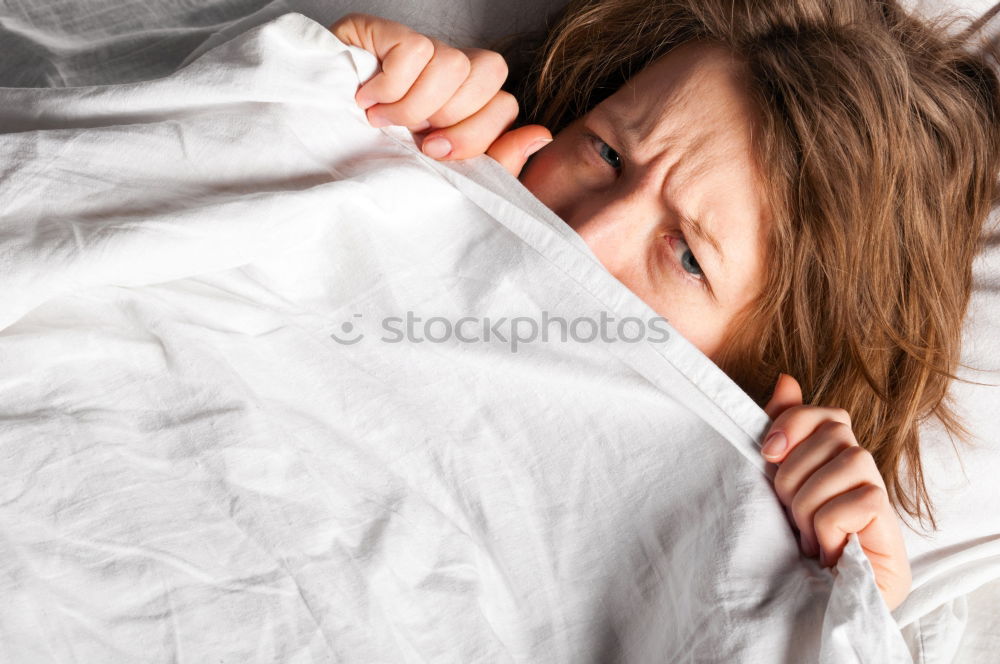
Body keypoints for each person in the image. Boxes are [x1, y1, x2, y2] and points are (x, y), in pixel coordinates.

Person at [329, 0, 1000, 612]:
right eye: (606, 151)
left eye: (687, 258)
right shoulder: (385, 188)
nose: (588, 235)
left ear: (763, 376)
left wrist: (842, 621)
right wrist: (334, 103)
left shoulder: (711, 583)